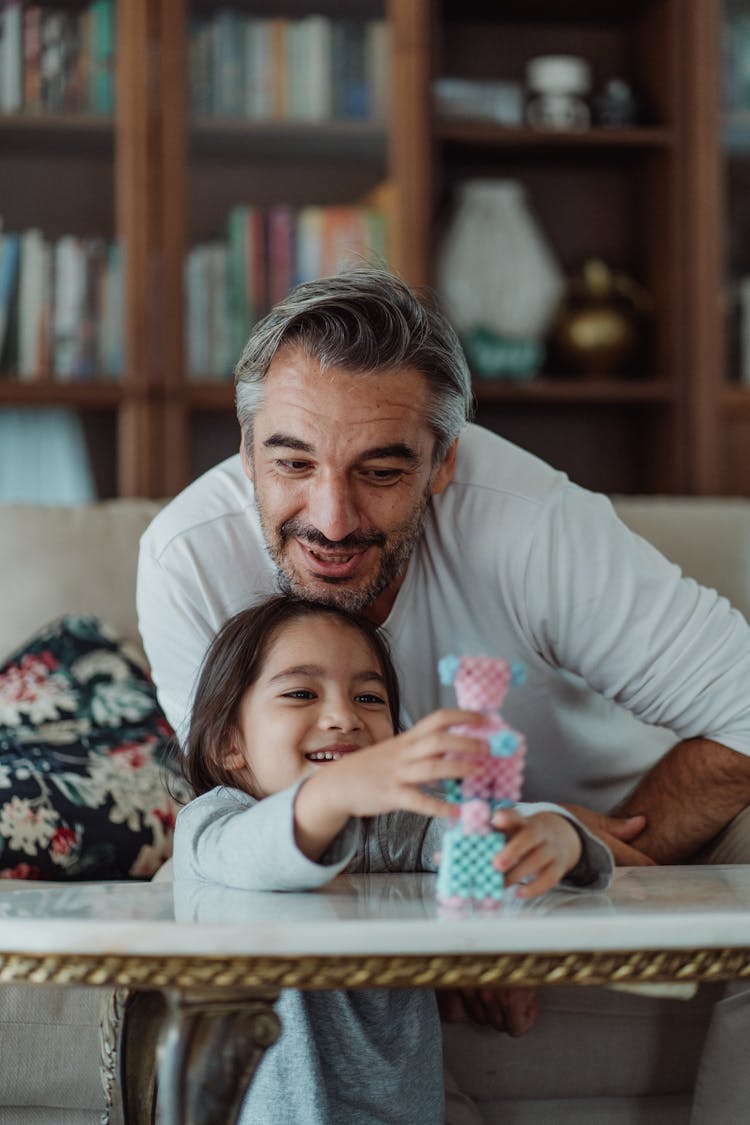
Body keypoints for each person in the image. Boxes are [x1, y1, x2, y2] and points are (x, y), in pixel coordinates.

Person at [138, 266, 750, 1119]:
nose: (333, 517)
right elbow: (240, 827)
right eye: (292, 462)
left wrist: (547, 874)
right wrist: (370, 810)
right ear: (246, 456)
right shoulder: (186, 561)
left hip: (626, 819)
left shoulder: (532, 526)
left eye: (381, 472)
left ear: (442, 463)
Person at [173, 594, 614, 1125]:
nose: (343, 718)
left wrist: (554, 835)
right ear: (228, 744)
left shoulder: (387, 826)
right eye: (300, 692)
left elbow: (472, 827)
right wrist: (332, 793)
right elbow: (252, 857)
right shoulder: (212, 823)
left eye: (369, 698)